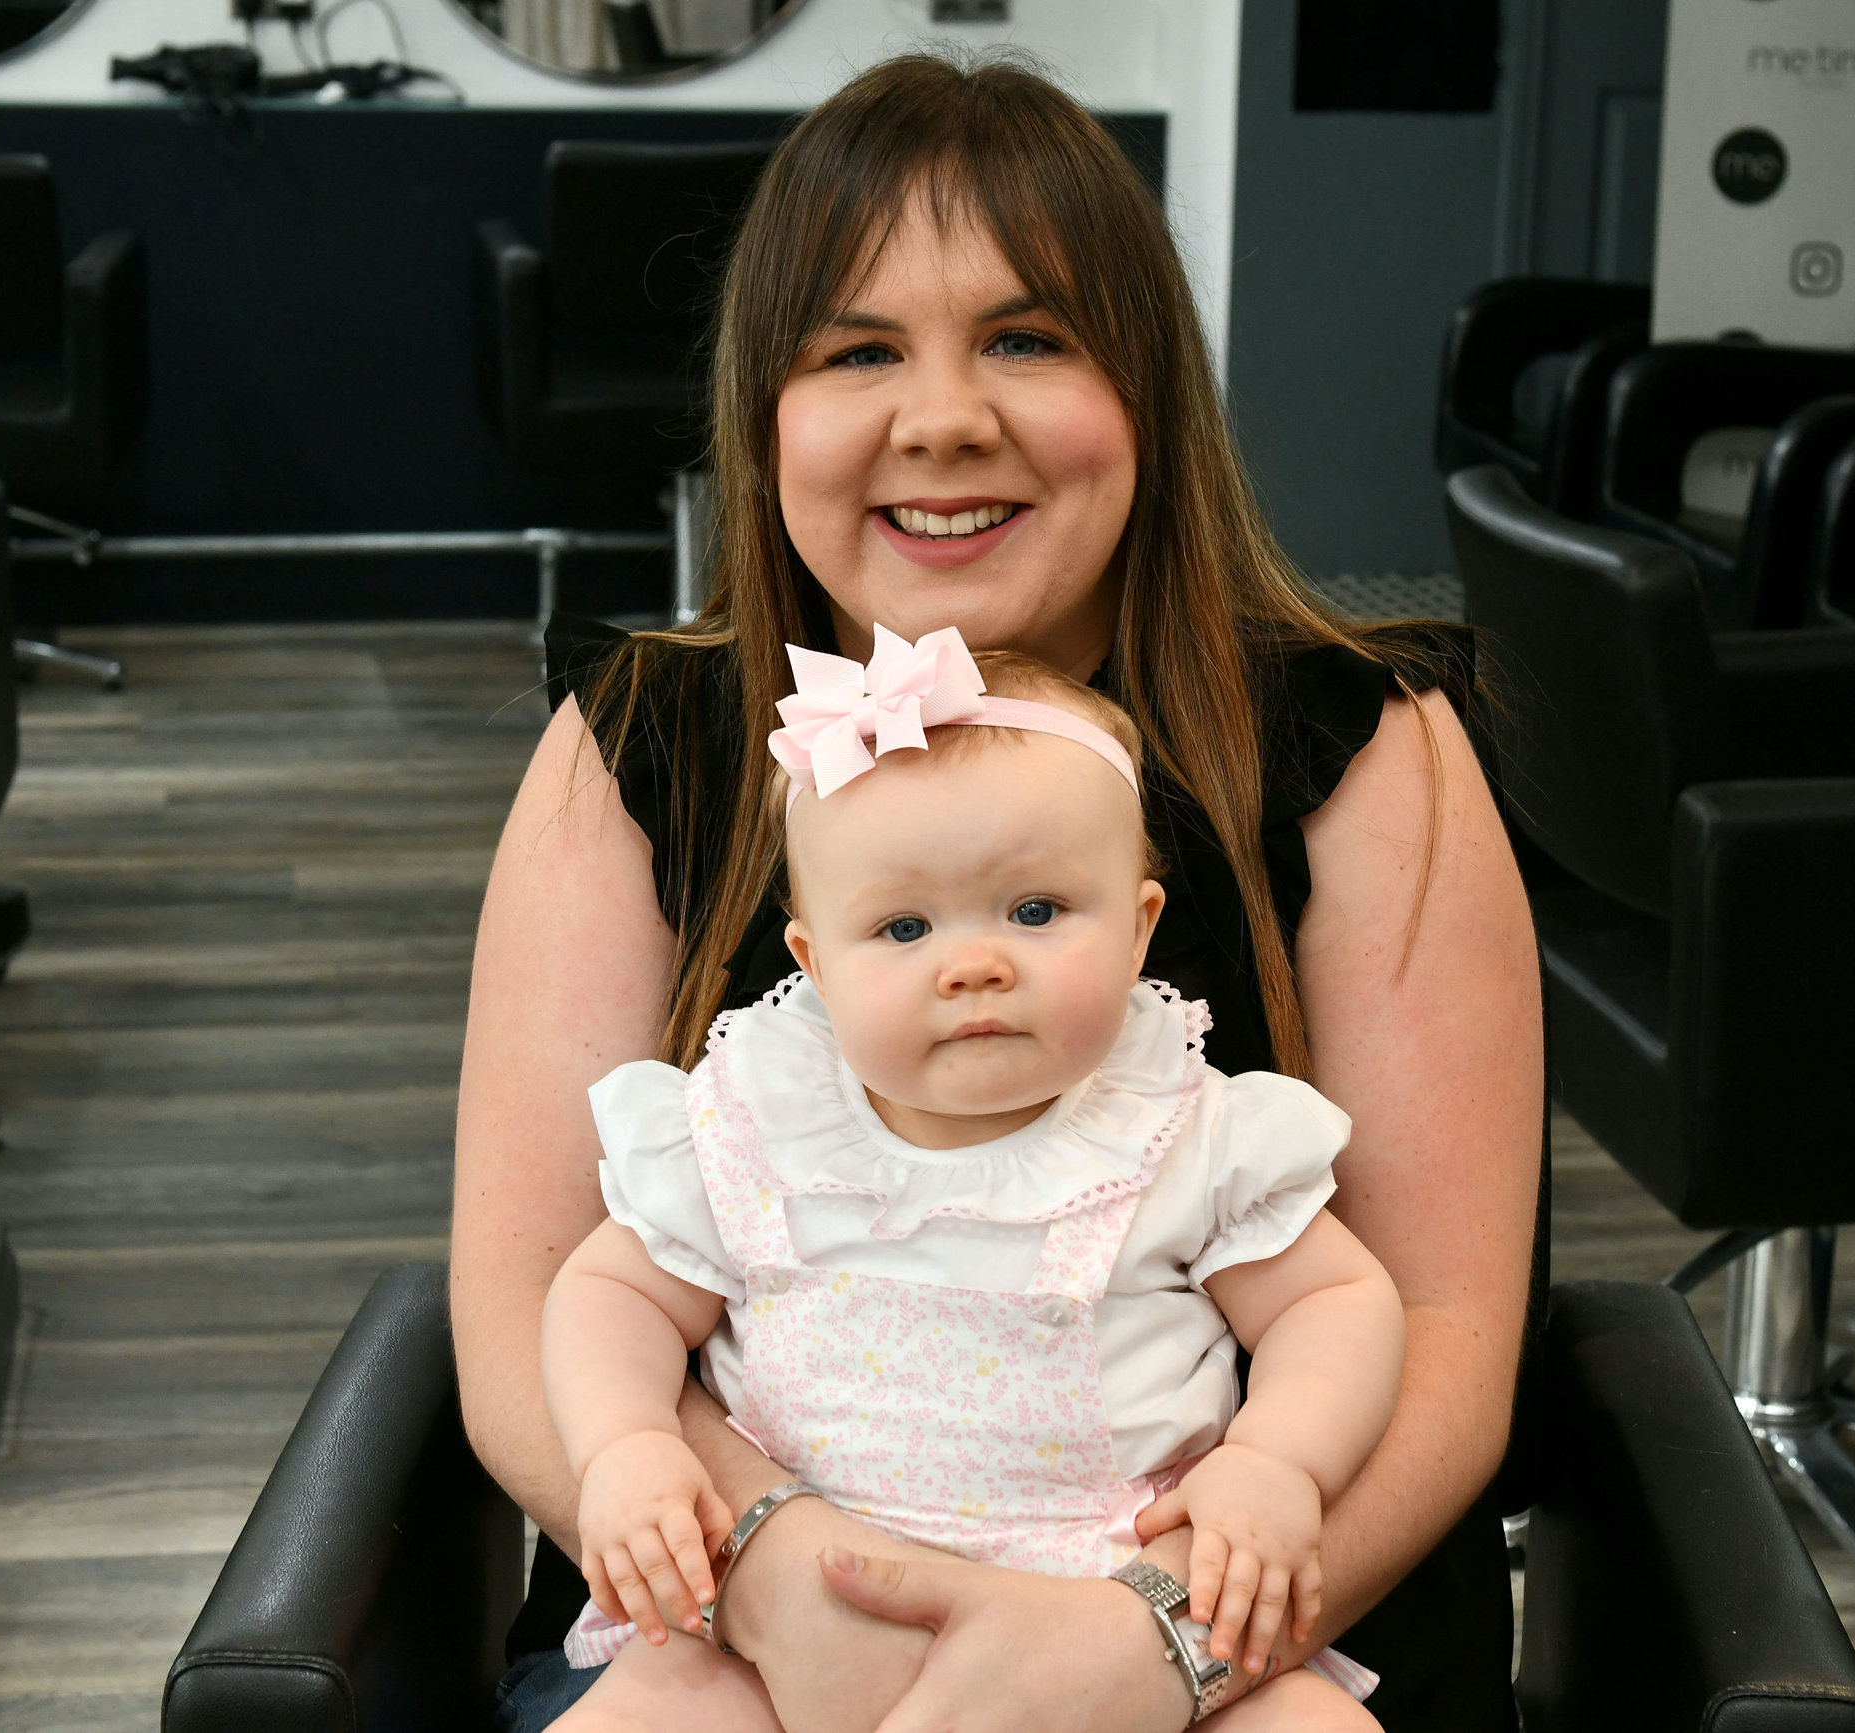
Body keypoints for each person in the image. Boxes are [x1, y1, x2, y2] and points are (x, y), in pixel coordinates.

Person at [454, 50, 1542, 1733]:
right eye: (859, 350)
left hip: (1245, 1633)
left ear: (1152, 391)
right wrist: (773, 1580)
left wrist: (1161, 1641)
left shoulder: (1367, 745)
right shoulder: (639, 744)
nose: (944, 416)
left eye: (1028, 339)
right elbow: (534, 1311)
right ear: (769, 416)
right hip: (732, 1644)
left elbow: (1446, 1329)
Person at [540, 637, 1406, 1733]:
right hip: (777, 1633)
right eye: (902, 927)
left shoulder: (1183, 1127)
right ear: (812, 961)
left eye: (1035, 910)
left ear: (1139, 926)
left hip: (1100, 1615)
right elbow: (609, 1292)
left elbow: (1334, 1300)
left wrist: (1278, 1460)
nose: (973, 964)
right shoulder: (752, 1116)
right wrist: (625, 1444)